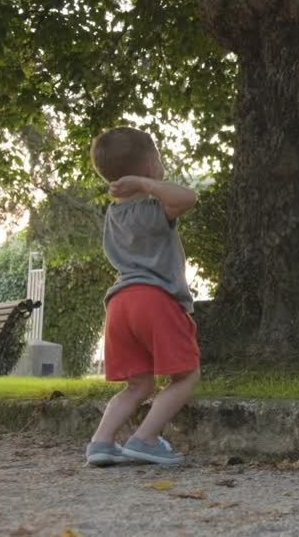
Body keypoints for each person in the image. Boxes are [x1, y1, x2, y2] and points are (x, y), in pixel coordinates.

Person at [85, 126, 200, 466]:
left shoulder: (113, 216)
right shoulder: (153, 210)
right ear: (150, 166)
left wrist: (139, 182)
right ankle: (145, 439)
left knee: (137, 385)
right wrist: (147, 185)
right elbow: (188, 198)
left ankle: (101, 443)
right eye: (159, 160)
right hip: (155, 300)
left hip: (119, 306)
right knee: (186, 375)